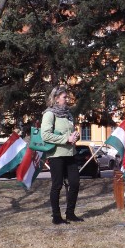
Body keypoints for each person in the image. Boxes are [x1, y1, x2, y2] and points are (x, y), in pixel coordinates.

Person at [41, 85, 83, 225]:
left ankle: (70, 214)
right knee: (57, 185)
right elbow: (45, 135)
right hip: (56, 155)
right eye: (65, 97)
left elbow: (69, 133)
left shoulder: (68, 114)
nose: (67, 99)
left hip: (70, 153)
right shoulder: (49, 114)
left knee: (75, 183)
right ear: (56, 98)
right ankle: (56, 216)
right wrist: (66, 139)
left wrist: (75, 136)